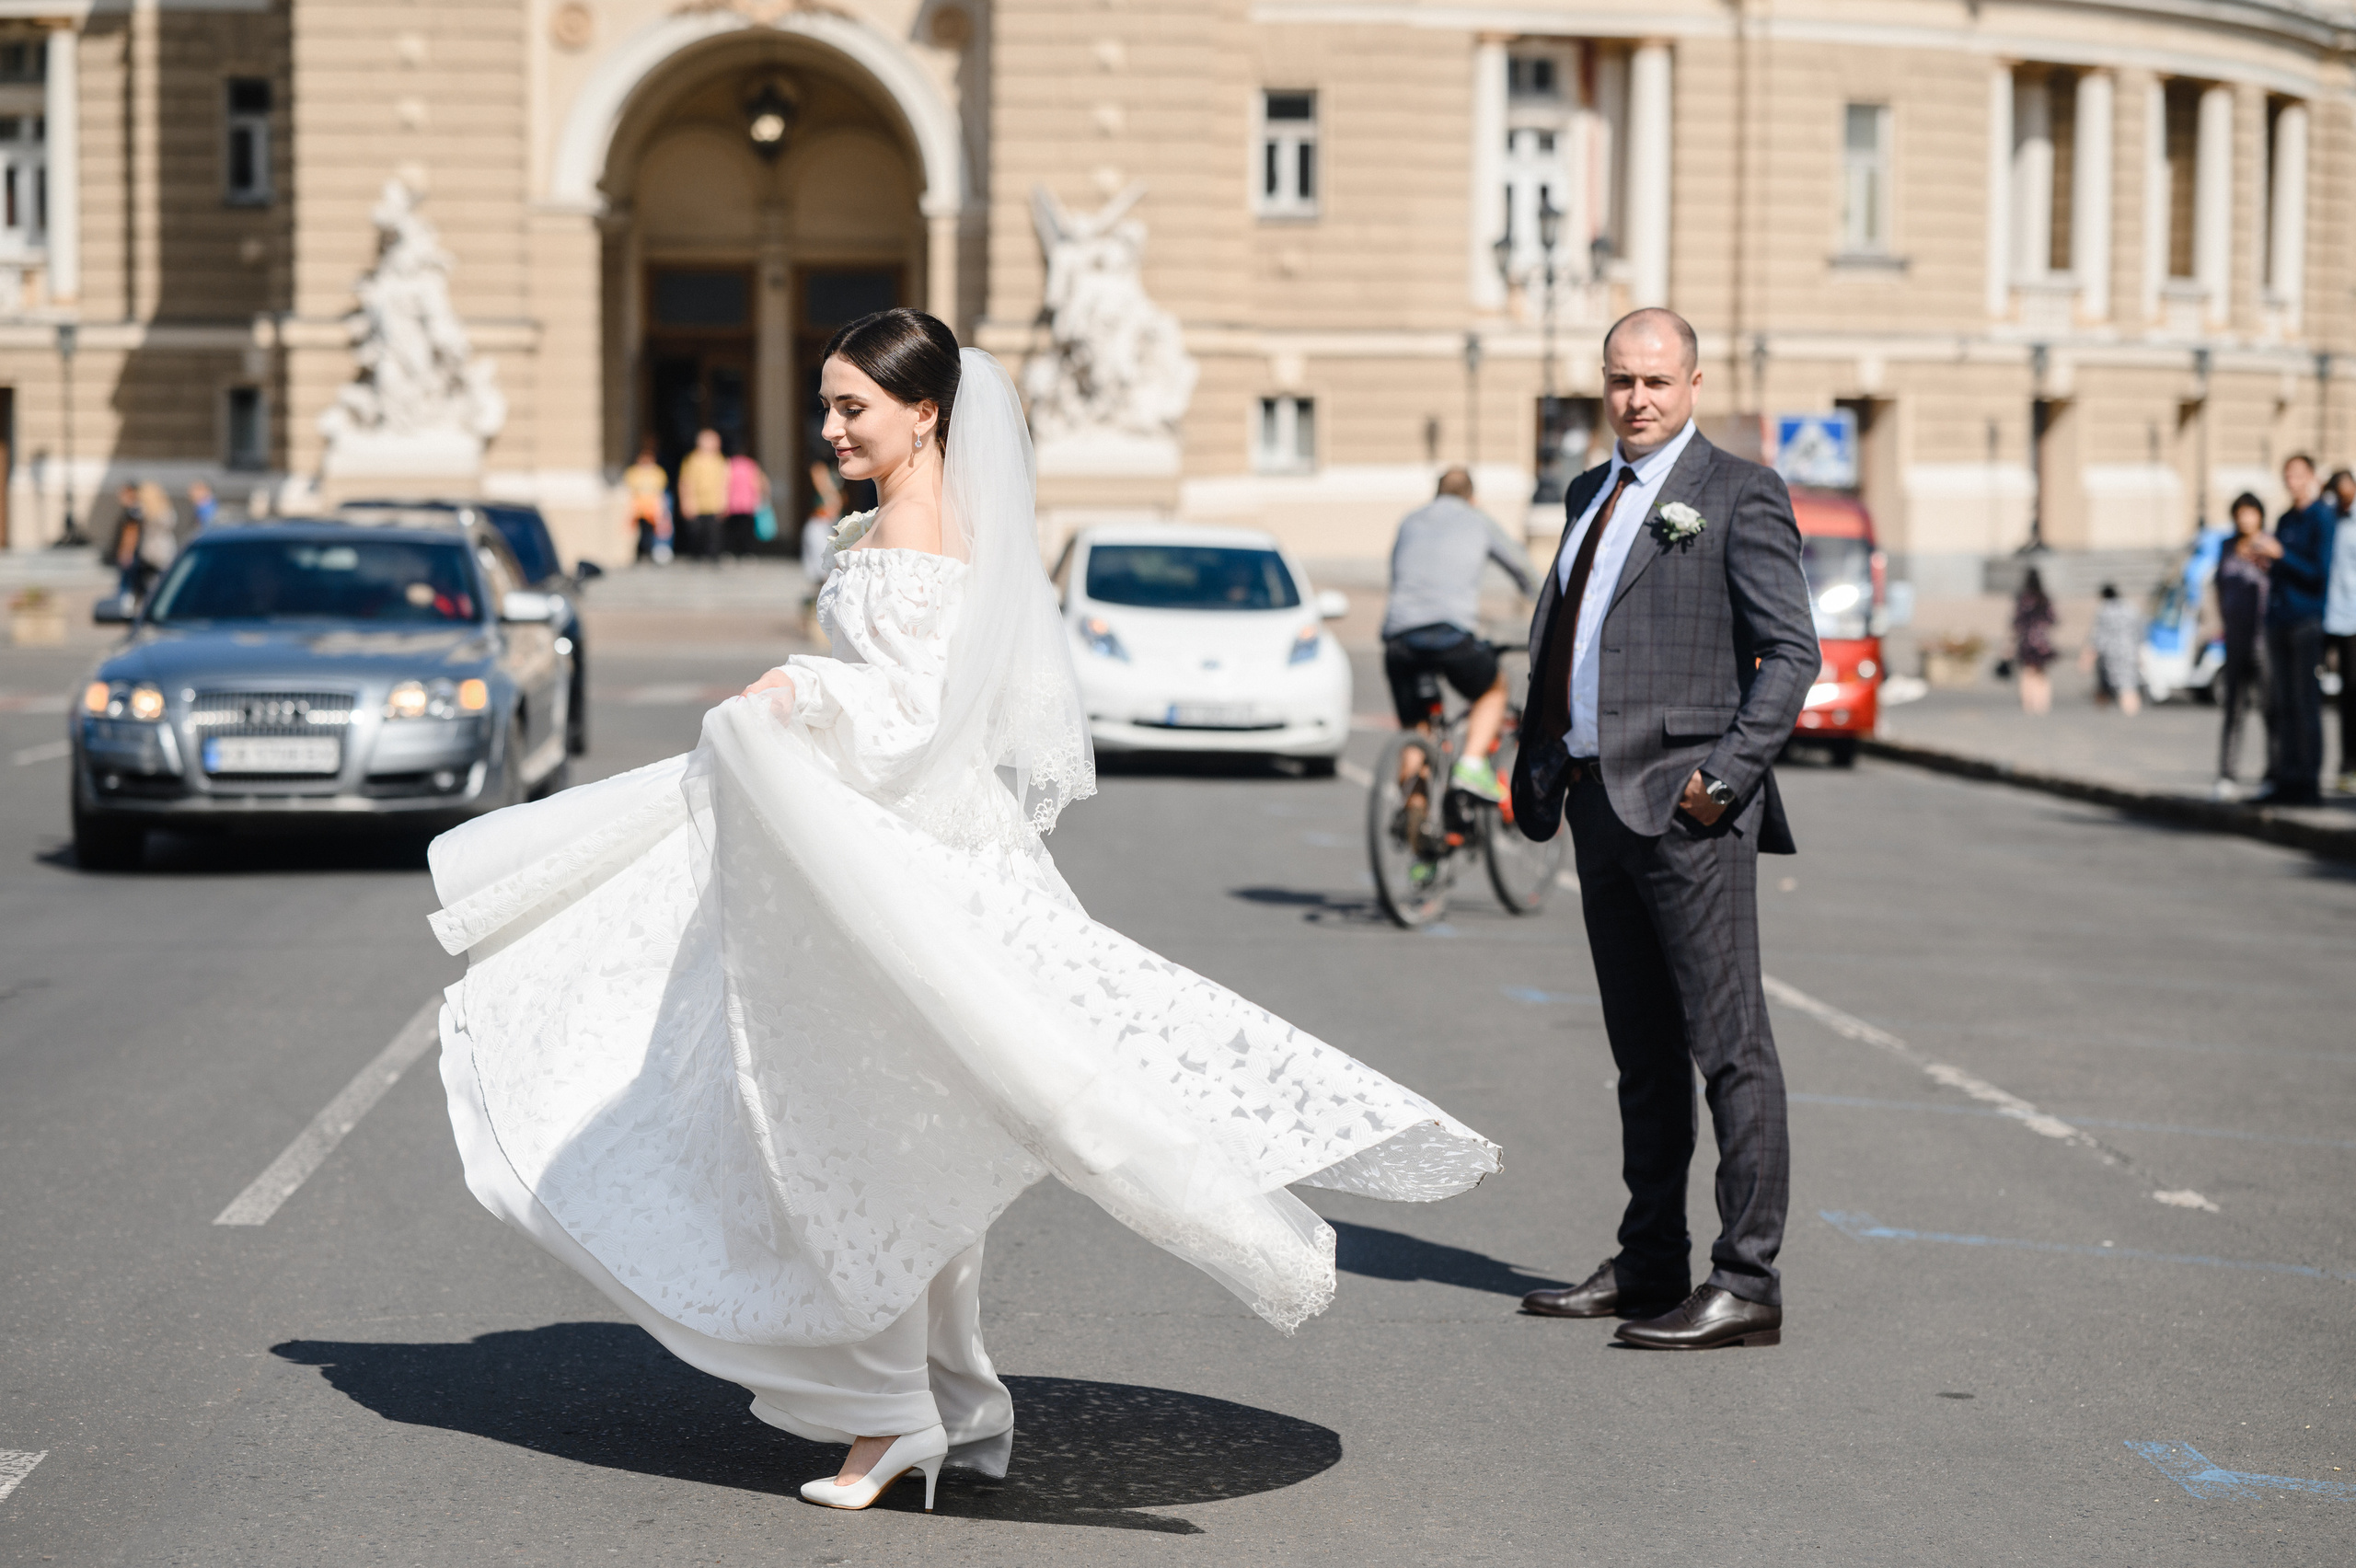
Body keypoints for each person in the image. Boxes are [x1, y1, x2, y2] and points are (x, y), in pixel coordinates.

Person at [426, 309, 1497, 1514]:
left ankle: (892, 1419)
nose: (829, 427)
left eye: (852, 409)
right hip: (910, 855)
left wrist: (798, 689)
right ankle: (957, 1404)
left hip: (887, 869)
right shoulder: (918, 515)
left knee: (858, 1137)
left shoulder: (919, 525)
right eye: (827, 405)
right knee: (910, 1134)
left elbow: (911, 715)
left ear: (925, 411)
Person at [1507, 307, 1815, 1351]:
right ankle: (1650, 1262)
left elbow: (1790, 654)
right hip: (1599, 799)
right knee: (1640, 1052)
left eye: (1655, 382)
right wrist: (1543, 757)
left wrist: (1722, 782)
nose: (1635, 400)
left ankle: (1747, 1280)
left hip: (1689, 815)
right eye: (1620, 381)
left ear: (1692, 385)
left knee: (1729, 1048)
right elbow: (1566, 635)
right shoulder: (1588, 491)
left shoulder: (1738, 493)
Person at [1379, 467, 1537, 800]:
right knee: (1494, 688)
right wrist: (1548, 606)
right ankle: (1471, 764)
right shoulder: (1477, 519)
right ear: (1472, 497)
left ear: (1436, 494)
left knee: (1416, 729)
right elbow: (1521, 568)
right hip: (1449, 634)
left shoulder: (1410, 520)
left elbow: (1398, 571)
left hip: (1399, 637)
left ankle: (1417, 827)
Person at [2258, 454, 2334, 805]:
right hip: (2279, 617)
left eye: (2298, 475)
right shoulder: (2286, 518)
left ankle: (2309, 781)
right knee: (2282, 702)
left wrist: (2281, 555)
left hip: (2306, 620)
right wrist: (2265, 561)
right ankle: (2286, 778)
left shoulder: (2321, 517)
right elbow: (2279, 567)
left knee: (2306, 703)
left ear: (2311, 477)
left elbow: (2318, 572)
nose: (2292, 481)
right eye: (2287, 475)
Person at [2214, 492, 2273, 799]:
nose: (2245, 519)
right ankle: (2226, 774)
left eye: (2251, 513)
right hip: (2234, 637)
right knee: (2233, 708)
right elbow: (2218, 584)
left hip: (2263, 638)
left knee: (2269, 708)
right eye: (2240, 513)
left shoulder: (2271, 546)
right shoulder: (2226, 547)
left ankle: (2272, 774)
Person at [2324, 469, 2356, 794]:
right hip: (2325, 614)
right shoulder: (2327, 518)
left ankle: (2349, 765)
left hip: (2353, 620)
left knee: (2351, 696)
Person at [2087, 583, 2143, 715]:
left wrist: (2090, 655)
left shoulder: (2104, 609)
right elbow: (2139, 630)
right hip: (2130, 650)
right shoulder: (2130, 607)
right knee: (2129, 683)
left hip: (2111, 653)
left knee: (2119, 685)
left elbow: (2098, 635)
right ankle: (2133, 711)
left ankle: (2127, 712)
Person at [676, 428, 730, 563]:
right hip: (697, 502)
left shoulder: (720, 460)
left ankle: (713, 557)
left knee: (714, 533)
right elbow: (685, 482)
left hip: (714, 503)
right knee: (696, 532)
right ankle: (697, 557)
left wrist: (725, 501)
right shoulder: (692, 460)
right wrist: (686, 502)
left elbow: (725, 482)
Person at [2011, 568, 2057, 715]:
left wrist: (2010, 643)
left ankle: (2028, 704)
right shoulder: (2044, 598)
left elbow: (2017, 622)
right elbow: (2053, 619)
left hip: (2027, 641)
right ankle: (2042, 704)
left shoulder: (2023, 599)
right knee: (2042, 674)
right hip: (2042, 640)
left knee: (2027, 673)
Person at [624, 440, 673, 563]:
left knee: (652, 532)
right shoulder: (633, 472)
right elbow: (630, 490)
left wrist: (662, 509)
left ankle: (651, 552)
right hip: (638, 508)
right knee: (638, 532)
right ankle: (638, 554)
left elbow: (660, 492)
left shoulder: (658, 473)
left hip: (652, 508)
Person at [722, 443, 769, 560]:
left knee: (732, 530)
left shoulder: (729, 464)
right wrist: (761, 498)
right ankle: (748, 553)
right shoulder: (750, 464)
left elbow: (724, 484)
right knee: (747, 531)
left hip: (732, 504)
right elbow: (758, 483)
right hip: (748, 504)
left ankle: (731, 552)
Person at [107, 483, 152, 601]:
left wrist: (127, 553)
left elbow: (131, 534)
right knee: (135, 585)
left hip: (130, 555)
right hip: (132, 554)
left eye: (123, 493)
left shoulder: (133, 512)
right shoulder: (134, 510)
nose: (120, 496)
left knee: (127, 587)